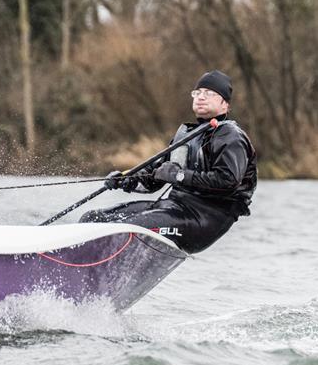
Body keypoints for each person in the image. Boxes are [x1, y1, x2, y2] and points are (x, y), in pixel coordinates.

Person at [80, 70, 257, 254]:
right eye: (198, 93)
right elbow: (154, 178)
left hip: (203, 219)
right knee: (93, 218)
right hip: (172, 207)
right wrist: (127, 180)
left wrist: (179, 176)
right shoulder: (186, 134)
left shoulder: (231, 136)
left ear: (225, 104)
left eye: (210, 94)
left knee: (123, 229)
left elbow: (227, 181)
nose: (201, 97)